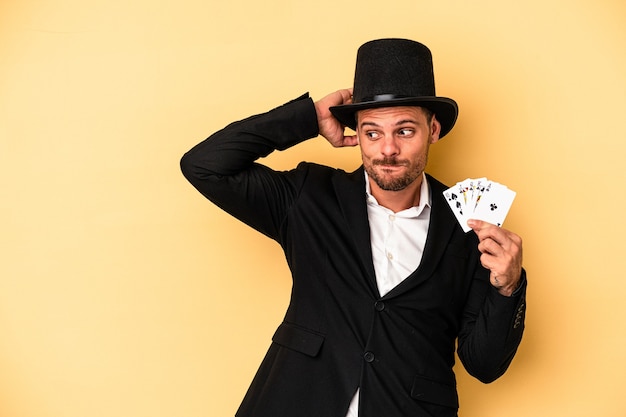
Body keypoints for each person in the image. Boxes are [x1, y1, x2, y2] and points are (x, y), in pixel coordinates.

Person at [180, 38, 526, 417]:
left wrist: (507, 287)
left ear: (434, 130)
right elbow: (204, 166)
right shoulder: (309, 196)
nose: (387, 149)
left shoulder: (470, 226)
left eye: (405, 131)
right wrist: (309, 118)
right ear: (357, 133)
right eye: (372, 132)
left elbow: (485, 365)